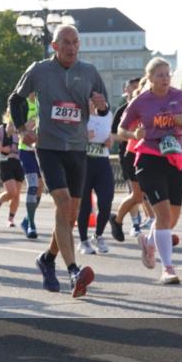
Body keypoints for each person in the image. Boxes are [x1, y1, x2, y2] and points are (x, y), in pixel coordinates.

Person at [8, 25, 108, 298]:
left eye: (75, 42)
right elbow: (15, 100)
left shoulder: (89, 71)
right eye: (65, 42)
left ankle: (48, 259)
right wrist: (21, 129)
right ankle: (74, 270)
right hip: (48, 146)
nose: (71, 47)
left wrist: (101, 104)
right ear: (54, 45)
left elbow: (104, 105)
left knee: (72, 215)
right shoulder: (39, 70)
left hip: (77, 148)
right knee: (63, 203)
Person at [118, 58, 182, 284]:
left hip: (175, 158)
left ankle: (148, 241)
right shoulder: (140, 101)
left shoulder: (181, 97)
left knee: (171, 220)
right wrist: (133, 135)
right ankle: (167, 268)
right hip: (148, 159)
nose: (165, 78)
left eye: (167, 74)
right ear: (151, 78)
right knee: (163, 215)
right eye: (160, 75)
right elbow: (121, 129)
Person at [109, 77, 155, 242]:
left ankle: (158, 228)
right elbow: (117, 133)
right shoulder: (130, 108)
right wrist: (133, 134)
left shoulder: (159, 105)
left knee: (149, 193)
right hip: (132, 155)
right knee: (138, 195)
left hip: (153, 154)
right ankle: (119, 220)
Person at [77, 101, 115, 255]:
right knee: (85, 206)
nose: (95, 103)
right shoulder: (79, 118)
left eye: (98, 100)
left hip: (102, 162)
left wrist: (110, 140)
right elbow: (69, 135)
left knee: (106, 202)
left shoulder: (107, 116)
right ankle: (83, 241)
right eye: (91, 101)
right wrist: (83, 136)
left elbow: (111, 134)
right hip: (84, 163)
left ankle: (98, 235)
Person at [0, 113, 23, 227]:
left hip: (18, 162)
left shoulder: (21, 128)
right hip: (5, 162)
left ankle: (10, 219)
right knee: (12, 192)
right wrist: (2, 148)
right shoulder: (1, 129)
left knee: (17, 195)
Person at [17, 92, 42, 239]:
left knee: (39, 187)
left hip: (41, 150)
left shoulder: (43, 101)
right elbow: (11, 127)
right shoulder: (21, 103)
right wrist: (26, 125)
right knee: (32, 185)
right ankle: (32, 224)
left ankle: (27, 219)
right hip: (26, 150)